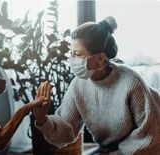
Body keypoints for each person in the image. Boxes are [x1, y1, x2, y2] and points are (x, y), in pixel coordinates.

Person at [33, 16, 160, 155]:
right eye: (71, 53)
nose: (71, 60)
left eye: (77, 54)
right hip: (108, 150)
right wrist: (43, 120)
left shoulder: (132, 82)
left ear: (100, 59)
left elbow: (152, 138)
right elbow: (66, 130)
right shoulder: (78, 85)